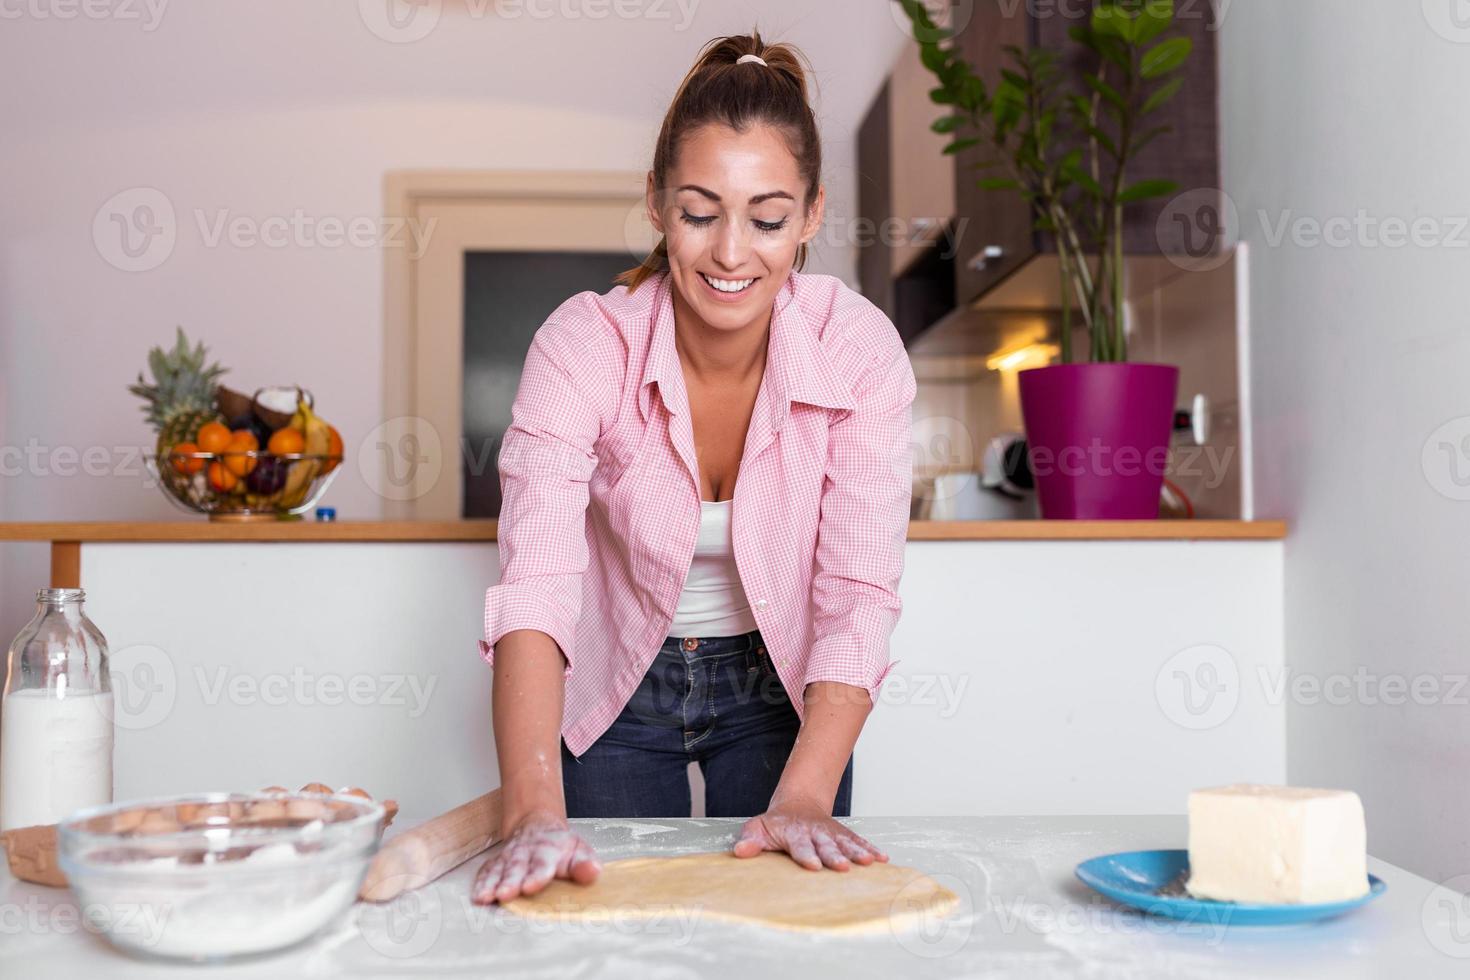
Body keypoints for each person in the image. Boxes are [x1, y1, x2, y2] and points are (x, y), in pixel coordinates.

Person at [471, 31, 916, 906]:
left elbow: (857, 596)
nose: (730, 253)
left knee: (784, 927)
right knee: (613, 933)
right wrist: (531, 810)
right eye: (700, 212)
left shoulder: (857, 349)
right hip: (613, 686)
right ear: (656, 202)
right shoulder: (581, 345)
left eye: (768, 217)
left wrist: (802, 797)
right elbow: (538, 584)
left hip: (784, 687)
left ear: (813, 215)